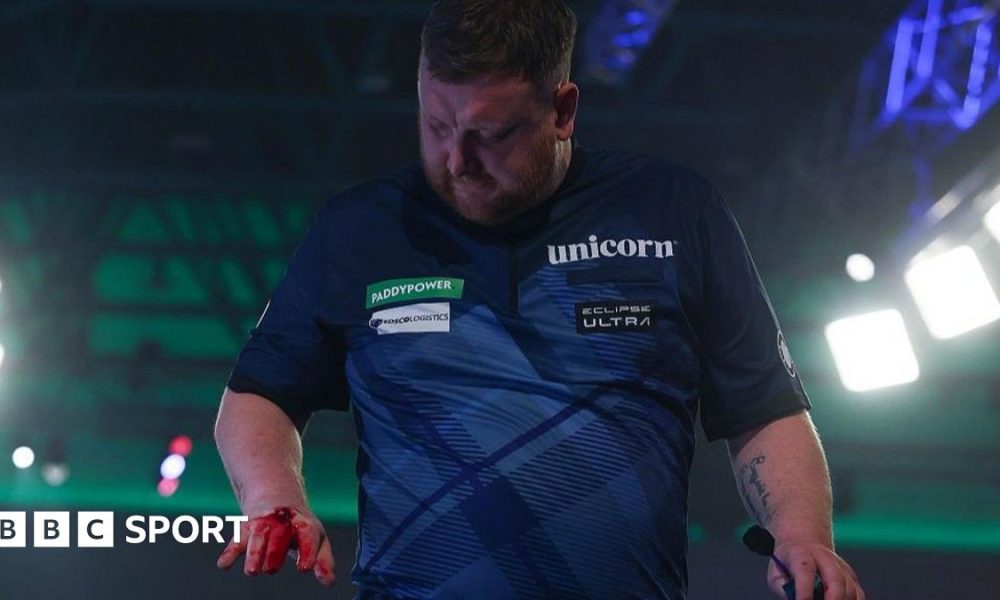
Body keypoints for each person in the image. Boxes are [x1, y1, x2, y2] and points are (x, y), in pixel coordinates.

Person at [213, 1, 865, 599]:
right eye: (436, 124)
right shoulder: (360, 230)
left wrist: (803, 535)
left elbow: (764, 407)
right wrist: (275, 498)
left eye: (490, 134)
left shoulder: (673, 211)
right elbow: (256, 397)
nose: (457, 159)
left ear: (563, 109)